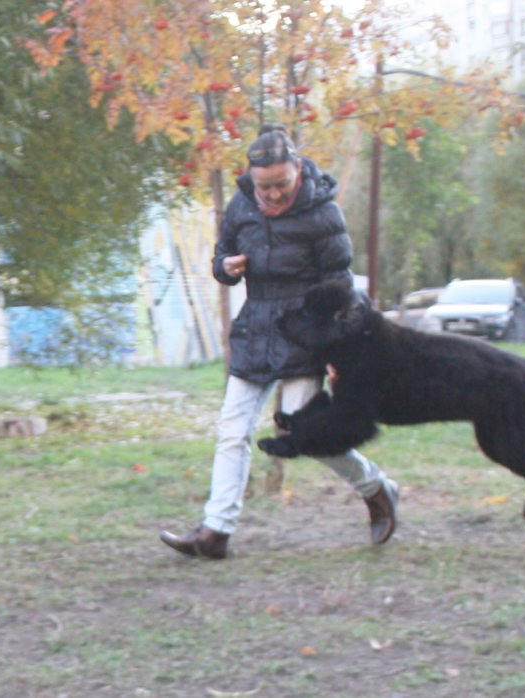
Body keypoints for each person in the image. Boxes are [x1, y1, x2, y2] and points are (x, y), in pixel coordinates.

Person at [159, 125, 398, 560]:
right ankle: (216, 532)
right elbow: (220, 257)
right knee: (231, 431)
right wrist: (226, 268)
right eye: (262, 186)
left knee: (302, 431)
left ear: (299, 173)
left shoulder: (323, 215)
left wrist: (338, 352)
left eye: (280, 185)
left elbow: (339, 288)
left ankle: (376, 488)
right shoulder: (242, 205)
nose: (270, 194)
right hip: (255, 330)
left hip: (306, 334)